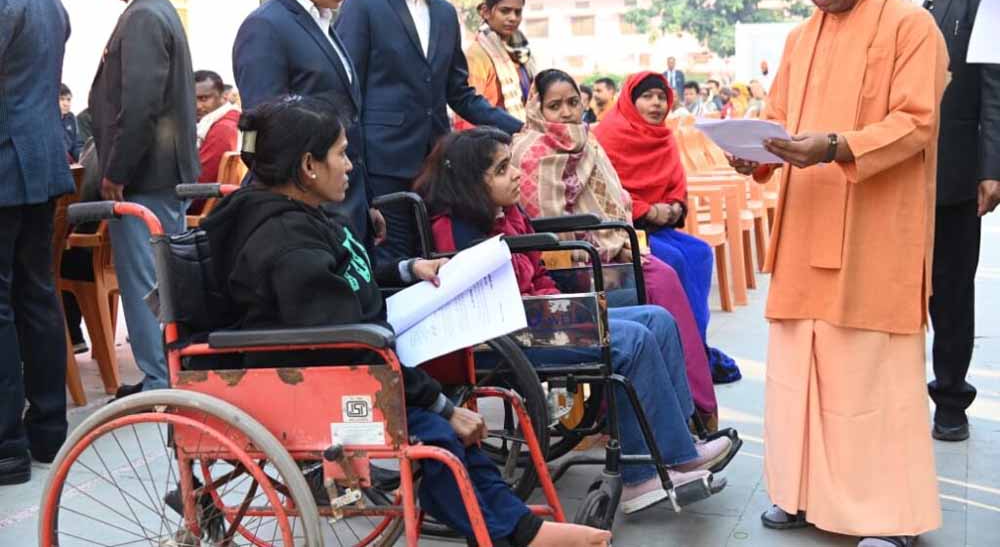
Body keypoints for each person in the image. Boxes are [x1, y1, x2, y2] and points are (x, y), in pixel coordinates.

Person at [201, 98, 611, 547]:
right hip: (315, 374)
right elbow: (346, 339)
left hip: (351, 355)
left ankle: (521, 527)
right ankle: (511, 533)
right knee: (437, 431)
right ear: (308, 166)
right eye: (341, 153)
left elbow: (346, 273)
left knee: (457, 418)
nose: (351, 166)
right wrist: (439, 404)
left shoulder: (302, 219)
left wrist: (407, 269)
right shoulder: (284, 241)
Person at [727, 0, 948, 546]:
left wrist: (833, 147)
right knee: (799, 367)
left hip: (877, 233)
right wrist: (752, 156)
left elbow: (916, 123)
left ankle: (885, 517)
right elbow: (774, 125)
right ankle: (798, 496)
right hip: (806, 227)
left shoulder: (912, 29)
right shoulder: (799, 39)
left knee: (869, 376)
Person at [416, 128, 734, 515]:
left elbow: (537, 274)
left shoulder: (508, 212)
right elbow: (493, 294)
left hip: (540, 314)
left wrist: (562, 298)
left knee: (658, 320)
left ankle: (678, 448)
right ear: (471, 183)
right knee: (631, 341)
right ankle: (642, 478)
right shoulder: (456, 229)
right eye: (502, 170)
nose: (516, 174)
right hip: (505, 333)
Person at [510, 69, 719, 426]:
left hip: (612, 245)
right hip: (569, 265)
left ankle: (687, 408)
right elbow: (546, 224)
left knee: (673, 271)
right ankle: (682, 412)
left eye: (573, 103)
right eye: (554, 106)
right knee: (659, 281)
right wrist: (609, 243)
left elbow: (617, 196)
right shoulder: (532, 151)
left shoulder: (586, 141)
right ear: (536, 109)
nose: (566, 113)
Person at [336, 0, 522, 263]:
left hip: (437, 162)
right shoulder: (364, 4)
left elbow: (458, 91)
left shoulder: (444, 12)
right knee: (395, 259)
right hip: (382, 161)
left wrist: (519, 127)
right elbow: (349, 92)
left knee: (438, 257)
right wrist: (353, 161)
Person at [884, 0, 1000, 442]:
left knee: (952, 290)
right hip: (885, 175)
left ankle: (950, 399)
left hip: (953, 172)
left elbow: (994, 89)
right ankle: (890, 394)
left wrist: (991, 166)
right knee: (888, 287)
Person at [89, 0, 198, 395]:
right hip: (155, 174)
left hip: (144, 177)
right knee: (156, 280)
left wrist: (117, 170)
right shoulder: (156, 12)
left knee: (146, 283)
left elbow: (140, 105)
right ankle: (164, 374)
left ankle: (160, 379)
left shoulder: (145, 17)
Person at [234, 0, 382, 247]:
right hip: (304, 220)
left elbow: (349, 123)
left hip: (344, 208)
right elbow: (265, 134)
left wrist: (364, 203)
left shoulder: (324, 23)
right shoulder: (266, 26)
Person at [594, 72, 740, 384]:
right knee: (671, 260)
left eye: (661, 97)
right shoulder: (609, 135)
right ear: (631, 101)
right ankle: (679, 351)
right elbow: (606, 192)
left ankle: (695, 345)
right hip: (625, 228)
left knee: (699, 253)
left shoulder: (663, 136)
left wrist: (673, 207)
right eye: (647, 97)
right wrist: (648, 210)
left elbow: (677, 182)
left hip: (660, 224)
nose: (656, 104)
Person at [0, 0, 74, 485]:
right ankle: (48, 428)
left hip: (7, 163)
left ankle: (6, 444)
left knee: (5, 303)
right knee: (37, 293)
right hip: (42, 161)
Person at [454, 0, 537, 130]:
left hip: (524, 137)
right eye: (505, 11)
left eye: (518, 12)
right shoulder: (477, 54)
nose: (513, 17)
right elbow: (466, 110)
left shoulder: (523, 52)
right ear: (486, 11)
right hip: (490, 143)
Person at [194, 69, 239, 186]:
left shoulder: (222, 129)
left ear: (222, 96)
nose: (197, 106)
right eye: (191, 99)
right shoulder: (232, 118)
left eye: (204, 98)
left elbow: (201, 182)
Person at [58, 84, 82, 162]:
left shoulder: (71, 118)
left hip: (71, 164)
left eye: (68, 99)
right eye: (61, 99)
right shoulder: (47, 119)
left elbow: (77, 145)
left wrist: (82, 157)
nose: (66, 103)